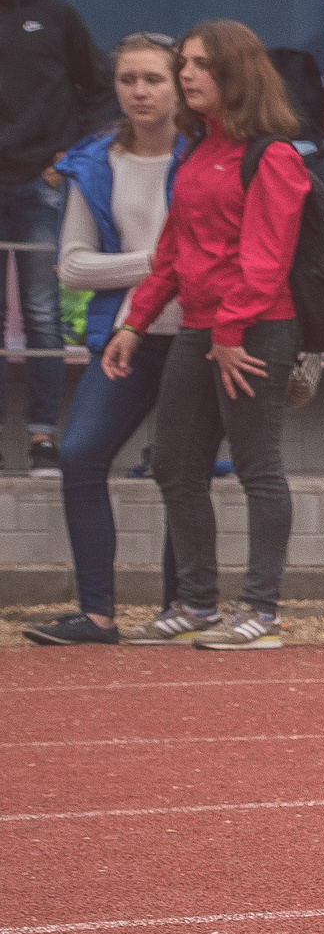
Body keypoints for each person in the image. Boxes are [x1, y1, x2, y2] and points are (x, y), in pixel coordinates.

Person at [101, 20, 308, 650]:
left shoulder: (273, 155)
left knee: (257, 467)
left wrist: (229, 330)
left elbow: (267, 260)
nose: (186, 74)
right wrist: (135, 322)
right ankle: (195, 603)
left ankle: (263, 611)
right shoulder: (198, 152)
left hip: (254, 332)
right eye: (185, 63)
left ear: (236, 73)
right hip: (203, 330)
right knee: (173, 464)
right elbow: (171, 253)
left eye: (200, 64)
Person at [22, 34, 186, 645]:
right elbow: (72, 265)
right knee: (80, 454)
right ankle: (96, 615)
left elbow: (214, 258)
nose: (139, 92)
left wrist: (153, 265)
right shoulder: (95, 159)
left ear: (179, 85)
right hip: (124, 337)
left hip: (194, 337)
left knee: (179, 469)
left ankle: (182, 607)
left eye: (153, 79)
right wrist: (164, 263)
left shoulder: (204, 158)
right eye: (127, 80)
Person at [0, 0, 115, 479]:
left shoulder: (57, 16)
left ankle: (42, 438)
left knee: (44, 316)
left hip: (39, 185)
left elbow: (100, 89)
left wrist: (64, 161)